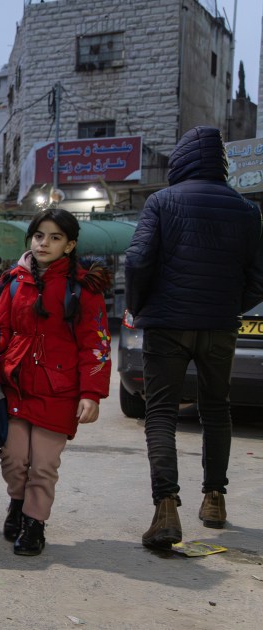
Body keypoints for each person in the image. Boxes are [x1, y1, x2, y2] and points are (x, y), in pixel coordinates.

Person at [124, 125, 263, 549]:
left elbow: (137, 260)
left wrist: (139, 305)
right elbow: (259, 279)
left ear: (181, 160)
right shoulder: (247, 209)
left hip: (167, 325)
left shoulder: (162, 201)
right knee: (217, 410)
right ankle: (215, 499)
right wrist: (229, 305)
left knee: (161, 413)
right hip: (220, 326)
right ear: (221, 163)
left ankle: (166, 508)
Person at [0, 208, 111, 556]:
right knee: (13, 458)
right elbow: (2, 334)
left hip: (59, 391)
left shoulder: (84, 288)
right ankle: (17, 502)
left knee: (42, 465)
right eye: (40, 236)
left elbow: (96, 344)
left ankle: (34, 523)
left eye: (55, 238)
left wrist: (91, 393)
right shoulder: (15, 281)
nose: (44, 243)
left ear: (69, 245)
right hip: (15, 385)